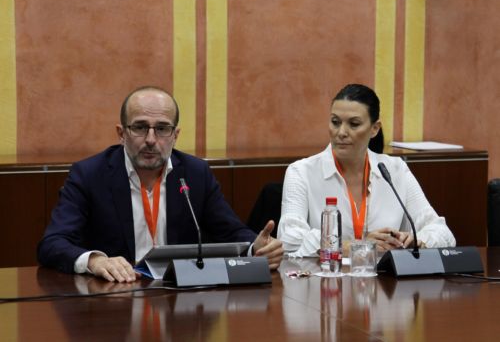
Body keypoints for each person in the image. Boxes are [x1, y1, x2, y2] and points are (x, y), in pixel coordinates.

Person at [38, 86, 283, 281]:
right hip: (115, 295)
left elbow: (230, 231)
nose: (151, 140)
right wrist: (95, 261)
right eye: (140, 127)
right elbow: (52, 243)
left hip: (178, 299)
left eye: (162, 129)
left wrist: (257, 248)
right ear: (121, 133)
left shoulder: (196, 174)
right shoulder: (89, 174)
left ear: (175, 135)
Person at [277, 83, 456, 257]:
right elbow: (288, 239)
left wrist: (416, 241)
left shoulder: (395, 170)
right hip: (327, 282)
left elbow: (443, 233)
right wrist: (356, 246)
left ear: (374, 129)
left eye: (353, 124)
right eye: (335, 122)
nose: (341, 132)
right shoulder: (301, 172)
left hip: (386, 284)